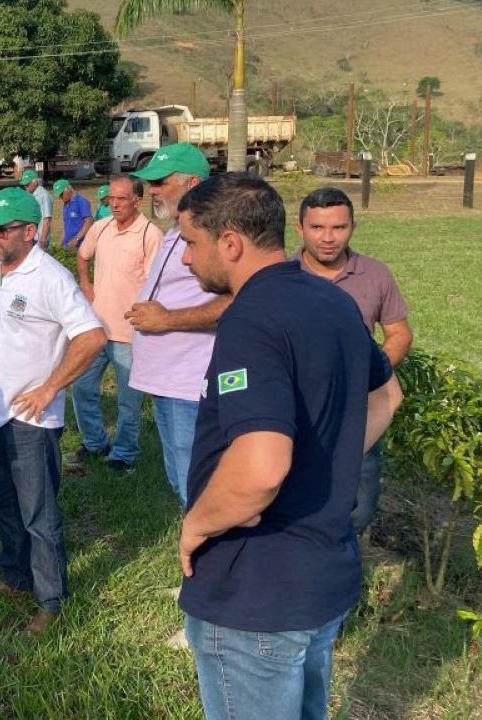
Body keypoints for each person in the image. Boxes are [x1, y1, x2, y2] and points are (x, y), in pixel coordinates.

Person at [176, 173, 402, 720]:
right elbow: (387, 395)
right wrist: (326, 463)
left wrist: (198, 524)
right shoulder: (333, 302)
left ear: (229, 242)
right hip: (322, 578)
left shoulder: (249, 320)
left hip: (256, 590)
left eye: (189, 242)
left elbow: (259, 468)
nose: (185, 259)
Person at [0, 187, 106, 635]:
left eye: (3, 230)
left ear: (30, 231)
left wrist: (50, 387)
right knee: (0, 502)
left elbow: (91, 336)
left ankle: (51, 600)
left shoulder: (50, 277)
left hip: (30, 418)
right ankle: (15, 574)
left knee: (38, 513)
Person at [295, 186, 413, 535]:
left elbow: (399, 333)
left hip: (359, 414)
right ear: (300, 229)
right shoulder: (282, 275)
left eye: (339, 228)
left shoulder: (375, 275)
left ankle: (346, 563)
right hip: (298, 411)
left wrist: (369, 376)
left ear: (352, 228)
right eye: (317, 228)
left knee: (359, 504)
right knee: (293, 498)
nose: (328, 238)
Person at [125, 144, 230, 506]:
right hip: (165, 379)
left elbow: (239, 300)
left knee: (197, 485)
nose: (152, 190)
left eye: (160, 182)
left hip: (190, 381)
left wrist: (168, 319)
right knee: (179, 477)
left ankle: (210, 559)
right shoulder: (175, 229)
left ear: (193, 182)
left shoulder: (217, 232)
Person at [67, 175, 162, 473]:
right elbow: (83, 256)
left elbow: (155, 286)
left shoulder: (150, 234)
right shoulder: (102, 226)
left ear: (137, 200)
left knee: (128, 402)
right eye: (110, 198)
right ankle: (95, 443)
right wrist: (86, 284)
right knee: (81, 388)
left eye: (121, 199)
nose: (114, 203)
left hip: (129, 334)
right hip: (96, 329)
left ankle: (123, 454)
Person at [55, 179, 93, 249]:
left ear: (69, 189)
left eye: (61, 194)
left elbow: (89, 222)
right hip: (67, 245)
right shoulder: (65, 204)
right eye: (59, 195)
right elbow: (66, 224)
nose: (60, 197)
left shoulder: (81, 201)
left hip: (80, 245)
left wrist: (77, 239)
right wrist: (61, 241)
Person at [19, 169, 53, 249]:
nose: (25, 187)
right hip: (31, 236)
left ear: (35, 182)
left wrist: (43, 238)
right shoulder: (30, 194)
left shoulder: (44, 195)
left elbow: (47, 219)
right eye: (24, 185)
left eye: (27, 184)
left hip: (40, 238)